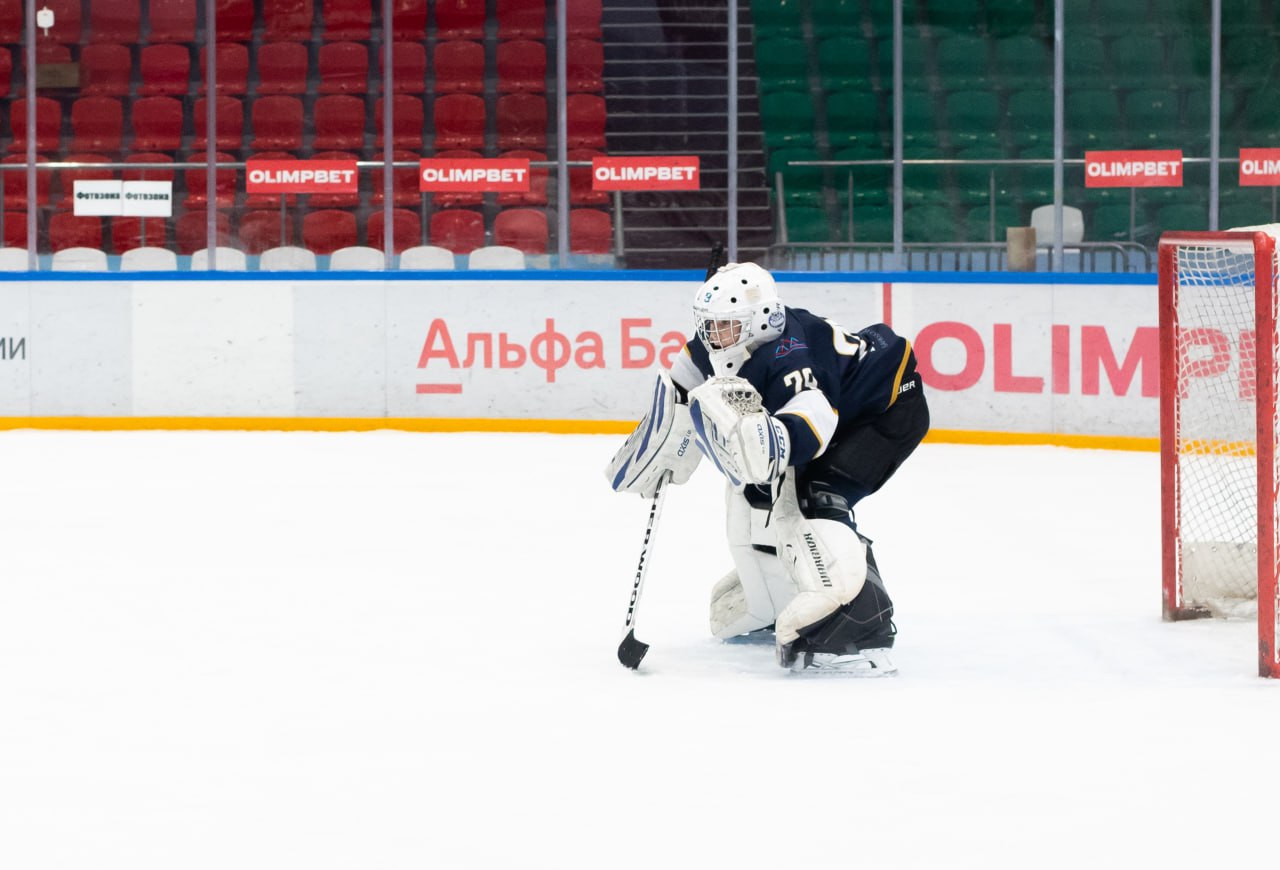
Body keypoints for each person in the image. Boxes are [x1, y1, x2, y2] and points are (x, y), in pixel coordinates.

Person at [605, 262, 929, 675]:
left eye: (724, 326)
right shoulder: (718, 343)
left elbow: (812, 428)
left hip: (885, 411)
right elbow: (680, 397)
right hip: (843, 409)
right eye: (708, 325)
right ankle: (774, 600)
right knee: (757, 494)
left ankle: (857, 617)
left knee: (815, 494)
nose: (712, 336)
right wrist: (666, 443)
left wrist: (766, 445)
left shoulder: (791, 356)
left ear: (761, 321)